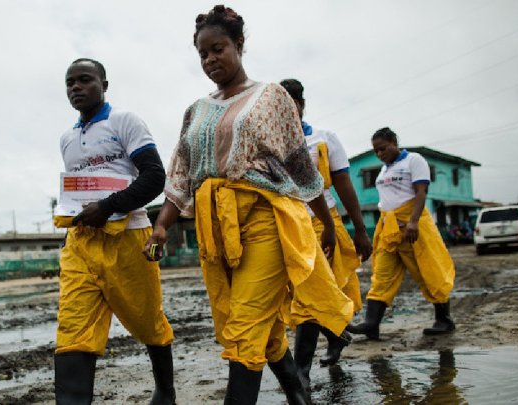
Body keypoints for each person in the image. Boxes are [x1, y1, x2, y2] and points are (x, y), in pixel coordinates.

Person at [144, 6, 353, 404]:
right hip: (215, 230)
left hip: (263, 224)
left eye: (217, 49)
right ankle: (298, 395)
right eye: (202, 54)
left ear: (239, 44)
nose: (209, 60)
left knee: (243, 328)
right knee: (260, 327)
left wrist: (325, 225)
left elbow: (301, 167)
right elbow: (182, 175)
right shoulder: (197, 110)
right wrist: (162, 225)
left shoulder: (270, 96)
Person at [53, 58, 175, 405]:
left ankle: (166, 392)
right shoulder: (67, 139)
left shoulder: (124, 121)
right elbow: (75, 195)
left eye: (84, 80)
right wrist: (68, 240)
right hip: (81, 244)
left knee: (148, 319)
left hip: (128, 238)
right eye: (69, 83)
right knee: (73, 329)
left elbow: (154, 177)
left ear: (104, 84)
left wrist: (107, 207)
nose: (75, 87)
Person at [280, 78, 372, 366]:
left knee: (313, 291)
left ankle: (302, 371)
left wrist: (359, 229)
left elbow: (343, 183)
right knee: (299, 293)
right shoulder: (269, 142)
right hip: (287, 225)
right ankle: (336, 336)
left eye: (291, 104)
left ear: (302, 105)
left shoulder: (323, 138)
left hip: (323, 223)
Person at [348, 127, 456, 340]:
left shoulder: (414, 160)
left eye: (383, 149)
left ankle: (444, 319)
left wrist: (413, 222)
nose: (380, 154)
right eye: (376, 151)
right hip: (389, 229)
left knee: (428, 270)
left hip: (413, 227)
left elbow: (421, 192)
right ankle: (371, 324)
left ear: (394, 142)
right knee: (382, 274)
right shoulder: (384, 170)